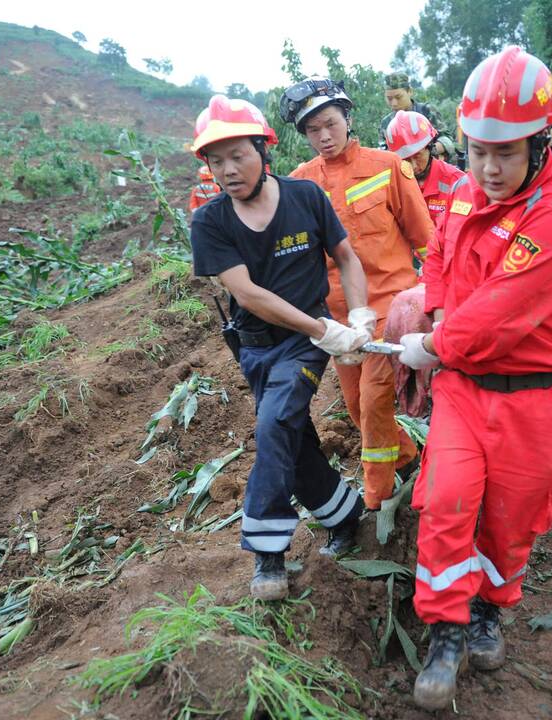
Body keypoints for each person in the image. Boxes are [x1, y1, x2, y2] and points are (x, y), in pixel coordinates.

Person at [398, 47, 552, 710]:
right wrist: (430, 308)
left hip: (537, 399)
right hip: (464, 388)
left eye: (506, 152)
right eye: (479, 148)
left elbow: (494, 316)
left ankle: (490, 608)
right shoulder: (460, 191)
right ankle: (447, 630)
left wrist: (427, 344)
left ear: (542, 145)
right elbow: (438, 260)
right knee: (448, 502)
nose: (488, 167)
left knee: (510, 523)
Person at [188, 95, 373, 600]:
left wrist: (356, 314)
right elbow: (247, 295)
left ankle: (268, 553)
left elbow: (346, 257)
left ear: (262, 149)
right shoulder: (210, 222)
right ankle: (346, 515)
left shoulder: (306, 197)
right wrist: (325, 330)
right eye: (215, 159)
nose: (227, 169)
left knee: (272, 427)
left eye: (238, 155)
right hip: (255, 348)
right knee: (292, 437)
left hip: (303, 347)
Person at [282, 78, 435, 511]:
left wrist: (441, 302)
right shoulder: (300, 183)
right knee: (354, 406)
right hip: (339, 321)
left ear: (348, 119)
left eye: (330, 124)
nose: (324, 137)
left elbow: (426, 239)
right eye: (313, 131)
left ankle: (377, 501)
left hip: (391, 308)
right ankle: (408, 460)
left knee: (372, 404)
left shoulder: (388, 166)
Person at [383, 110, 464, 224]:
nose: (414, 166)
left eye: (418, 156)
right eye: (405, 160)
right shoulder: (392, 185)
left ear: (430, 147)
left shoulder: (456, 182)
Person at [379, 72, 457, 164]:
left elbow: (447, 139)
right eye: (389, 98)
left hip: (435, 167)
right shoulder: (386, 123)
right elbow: (383, 152)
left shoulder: (426, 111)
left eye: (398, 97)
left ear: (410, 92)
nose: (394, 103)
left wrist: (428, 152)